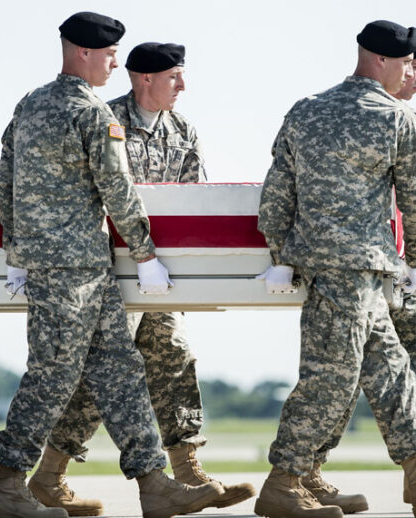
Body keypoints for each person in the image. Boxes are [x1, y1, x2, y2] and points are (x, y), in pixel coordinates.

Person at [0, 12, 224, 518]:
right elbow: (118, 189)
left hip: (67, 266)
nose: (117, 62)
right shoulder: (93, 112)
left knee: (120, 370)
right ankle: (7, 484)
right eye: (111, 54)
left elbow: (4, 179)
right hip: (74, 268)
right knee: (51, 376)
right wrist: (146, 253)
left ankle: (154, 483)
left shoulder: (30, 104)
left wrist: (16, 250)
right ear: (85, 52)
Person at [253, 20, 416, 518]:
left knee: (391, 368)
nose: (410, 71)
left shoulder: (306, 110)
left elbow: (276, 195)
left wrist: (281, 257)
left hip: (327, 266)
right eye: (406, 63)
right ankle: (283, 482)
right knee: (330, 378)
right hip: (358, 264)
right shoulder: (398, 119)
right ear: (380, 60)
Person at [28, 42, 253, 516]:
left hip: (159, 273)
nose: (183, 86)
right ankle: (49, 474)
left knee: (173, 355)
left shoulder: (183, 129)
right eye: (175, 76)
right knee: (103, 377)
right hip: (107, 269)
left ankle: (188, 471)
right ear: (143, 78)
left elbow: (195, 201)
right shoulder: (102, 117)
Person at [307, 36, 416, 513]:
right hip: (371, 265)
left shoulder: (406, 121)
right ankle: (302, 472)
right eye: (412, 65)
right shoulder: (388, 119)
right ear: (389, 64)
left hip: (389, 267)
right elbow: (415, 200)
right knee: (350, 369)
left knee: (411, 357)